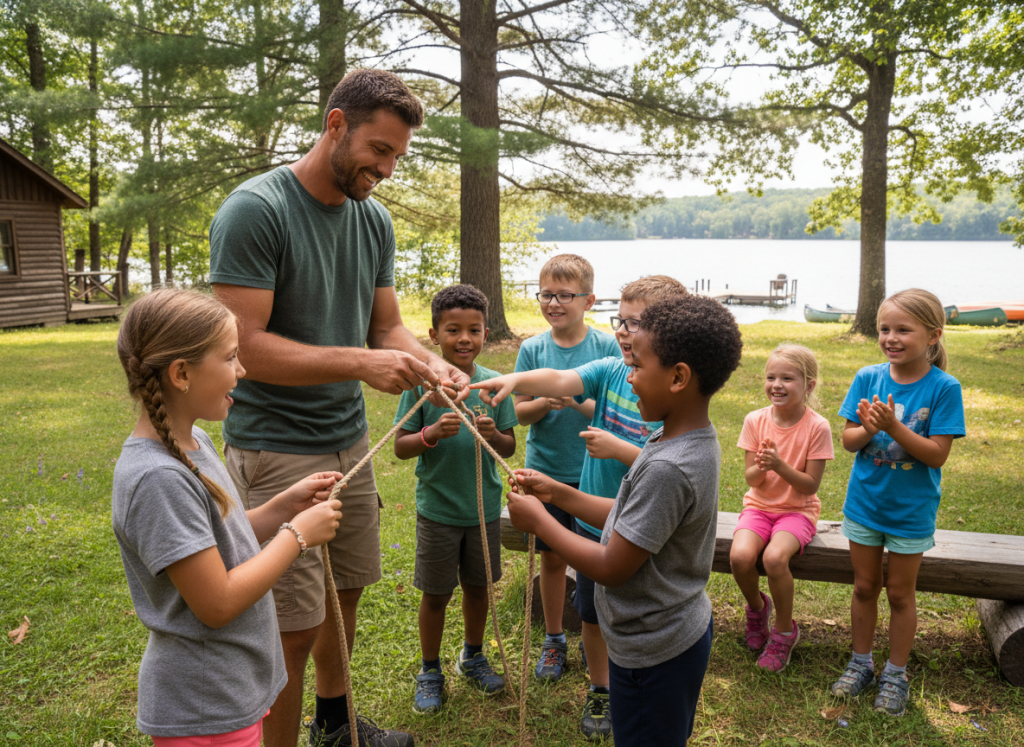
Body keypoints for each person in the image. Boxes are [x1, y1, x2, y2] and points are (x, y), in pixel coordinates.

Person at [209, 69, 467, 747]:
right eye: (378, 151)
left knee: (342, 592)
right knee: (289, 628)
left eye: (396, 158)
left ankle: (335, 723)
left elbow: (387, 327)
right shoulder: (255, 210)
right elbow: (244, 348)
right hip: (275, 445)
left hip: (348, 440)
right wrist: (362, 362)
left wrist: (431, 363)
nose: (385, 169)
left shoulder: (372, 217)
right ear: (335, 125)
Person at [490, 294, 744, 747]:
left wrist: (543, 523)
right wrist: (560, 494)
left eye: (638, 367)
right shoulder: (678, 436)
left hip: (655, 651)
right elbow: (632, 519)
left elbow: (611, 564)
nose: (629, 377)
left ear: (679, 377)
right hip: (665, 637)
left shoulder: (669, 465)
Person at [111, 289, 344, 746]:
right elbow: (215, 602)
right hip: (205, 707)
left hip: (229, 690)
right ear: (182, 373)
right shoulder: (157, 479)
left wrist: (284, 507)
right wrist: (296, 536)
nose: (242, 370)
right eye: (231, 357)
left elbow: (224, 539)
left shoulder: (194, 440)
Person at [472, 274, 687, 740]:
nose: (626, 332)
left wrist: (619, 448)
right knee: (590, 612)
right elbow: (560, 378)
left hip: (641, 526)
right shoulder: (610, 368)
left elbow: (672, 462)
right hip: (595, 525)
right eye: (622, 321)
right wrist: (513, 378)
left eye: (639, 323)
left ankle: (639, 685)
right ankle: (600, 687)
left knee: (636, 612)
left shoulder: (673, 391)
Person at [831, 288, 965, 716]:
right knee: (865, 586)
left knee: (901, 594)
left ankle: (895, 673)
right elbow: (850, 441)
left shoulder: (944, 387)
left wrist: (894, 425)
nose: (891, 337)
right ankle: (861, 663)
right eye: (884, 329)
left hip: (910, 512)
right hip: (865, 505)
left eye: (903, 329)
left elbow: (936, 454)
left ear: (932, 335)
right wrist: (870, 427)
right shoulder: (868, 377)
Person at [391, 285, 518, 714]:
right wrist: (430, 434)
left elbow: (509, 446)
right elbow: (400, 446)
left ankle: (473, 655)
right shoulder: (424, 386)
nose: (464, 338)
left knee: (479, 589)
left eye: (474, 330)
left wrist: (492, 434)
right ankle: (430, 669)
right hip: (439, 511)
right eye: (453, 330)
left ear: (485, 333)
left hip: (482, 511)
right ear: (434, 334)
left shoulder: (493, 386)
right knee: (436, 593)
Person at [511, 254, 618, 688]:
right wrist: (543, 402)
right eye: (546, 295)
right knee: (552, 557)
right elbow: (520, 414)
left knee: (595, 560)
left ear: (588, 300)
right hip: (545, 470)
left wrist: (576, 401)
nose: (554, 303)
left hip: (594, 475)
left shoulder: (605, 348)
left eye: (564, 296)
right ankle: (553, 638)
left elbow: (610, 412)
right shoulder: (533, 349)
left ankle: (597, 634)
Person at [730, 344, 834, 672]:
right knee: (740, 557)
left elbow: (810, 486)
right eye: (771, 376)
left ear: (809, 385)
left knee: (775, 558)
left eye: (787, 378)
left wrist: (779, 464)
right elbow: (751, 479)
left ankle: (785, 632)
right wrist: (763, 466)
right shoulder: (755, 420)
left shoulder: (817, 427)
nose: (777, 384)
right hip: (759, 507)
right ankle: (757, 609)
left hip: (797, 511)